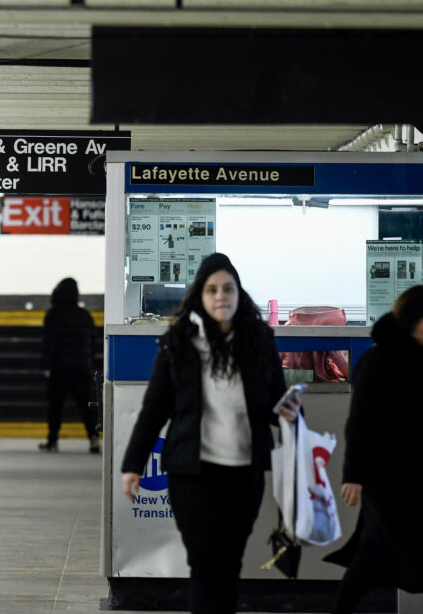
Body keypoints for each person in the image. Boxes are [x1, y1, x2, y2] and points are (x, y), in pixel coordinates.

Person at [119, 253, 300, 614]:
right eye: (212, 289)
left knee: (229, 566)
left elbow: (274, 402)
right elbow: (154, 409)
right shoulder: (179, 344)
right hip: (192, 475)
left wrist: (290, 413)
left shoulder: (258, 340)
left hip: (244, 476)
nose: (221, 296)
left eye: (228, 289)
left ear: (239, 293)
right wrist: (133, 464)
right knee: (205, 566)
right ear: (200, 295)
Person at [324, 285, 423, 613]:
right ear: (414, 321)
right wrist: (353, 475)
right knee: (374, 559)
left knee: (372, 558)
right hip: (388, 483)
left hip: (415, 478)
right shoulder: (379, 361)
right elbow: (361, 423)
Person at [39, 277, 100, 453]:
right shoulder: (84, 315)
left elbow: (49, 342)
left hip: (59, 368)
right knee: (86, 407)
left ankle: (52, 442)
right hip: (82, 367)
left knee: (55, 406)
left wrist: (46, 366)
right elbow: (93, 341)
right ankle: (93, 438)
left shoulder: (54, 314)